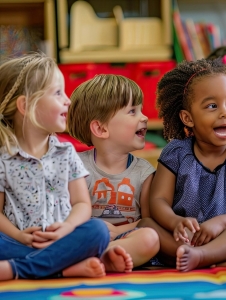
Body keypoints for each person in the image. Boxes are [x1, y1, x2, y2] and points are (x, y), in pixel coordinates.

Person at [0, 53, 133, 280]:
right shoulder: (4, 159)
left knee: (97, 231)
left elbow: (82, 204)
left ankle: (18, 270)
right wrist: (20, 236)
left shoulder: (66, 153)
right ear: (26, 105)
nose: (68, 100)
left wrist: (66, 228)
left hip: (63, 240)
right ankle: (62, 269)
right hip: (19, 242)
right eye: (58, 93)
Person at [138, 58, 226, 272]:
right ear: (187, 118)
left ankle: (203, 256)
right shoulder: (176, 153)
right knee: (146, 226)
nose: (225, 112)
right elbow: (159, 199)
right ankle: (212, 257)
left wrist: (221, 222)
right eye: (212, 106)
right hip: (185, 236)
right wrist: (174, 222)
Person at [67, 74, 160, 269]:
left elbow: (149, 221)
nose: (144, 117)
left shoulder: (145, 172)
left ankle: (100, 259)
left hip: (126, 238)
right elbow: (67, 216)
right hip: (87, 238)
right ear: (100, 129)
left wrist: (117, 232)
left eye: (141, 110)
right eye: (132, 111)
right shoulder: (75, 167)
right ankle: (95, 259)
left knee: (149, 238)